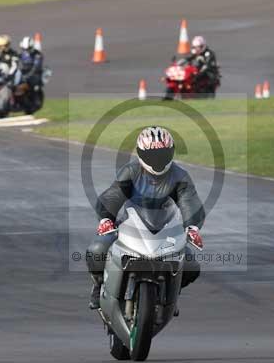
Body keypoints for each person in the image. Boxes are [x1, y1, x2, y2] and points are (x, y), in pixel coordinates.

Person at [85, 126, 204, 309]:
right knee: (97, 249)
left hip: (167, 230)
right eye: (152, 155)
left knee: (191, 266)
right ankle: (99, 284)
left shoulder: (179, 175)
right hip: (129, 225)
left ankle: (171, 293)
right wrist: (106, 218)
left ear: (171, 152)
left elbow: (190, 201)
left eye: (162, 154)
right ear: (141, 154)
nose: (157, 160)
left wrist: (193, 227)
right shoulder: (131, 171)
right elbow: (113, 195)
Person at [17, 36, 45, 114]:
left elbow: (36, 67)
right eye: (25, 49)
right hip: (24, 73)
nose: (26, 51)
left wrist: (28, 75)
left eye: (28, 49)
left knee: (35, 86)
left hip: (34, 74)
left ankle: (35, 101)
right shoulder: (22, 53)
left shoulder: (37, 55)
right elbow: (16, 58)